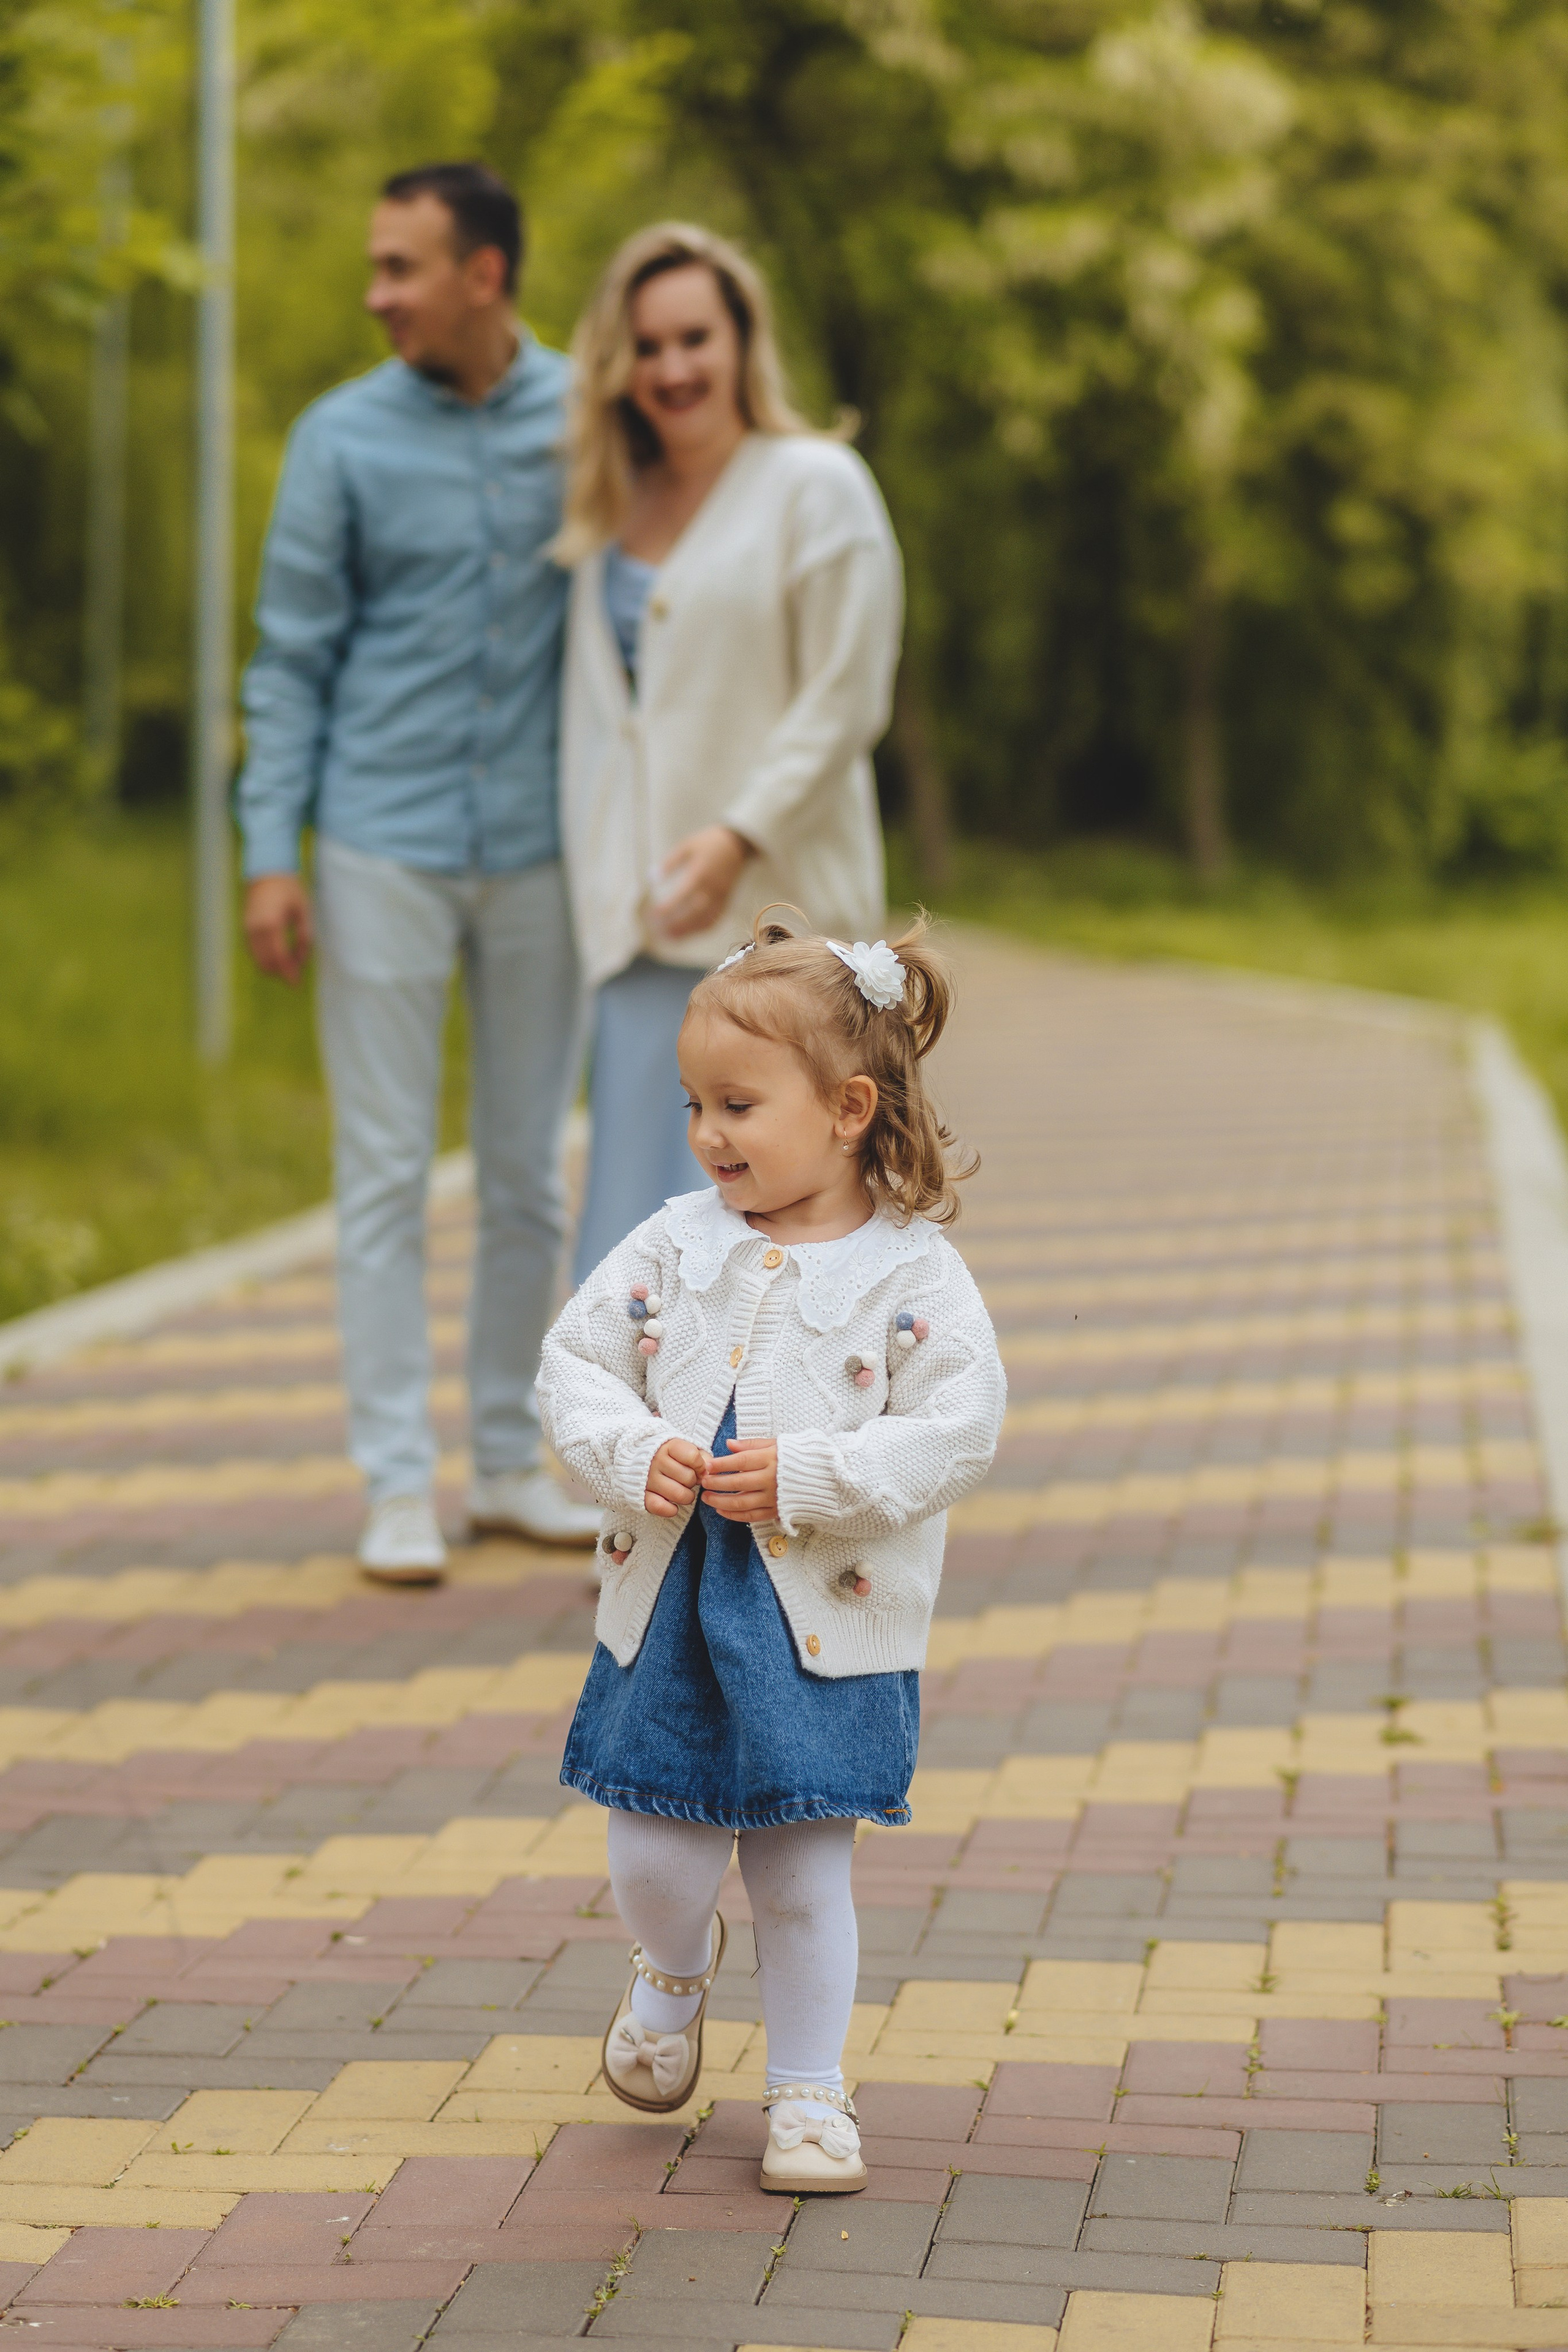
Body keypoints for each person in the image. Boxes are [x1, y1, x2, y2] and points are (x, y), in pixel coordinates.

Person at [537, 918, 1006, 2194]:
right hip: (676, 1602)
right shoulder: (673, 1243)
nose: (708, 1133)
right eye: (695, 1103)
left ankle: (806, 2095)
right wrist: (630, 1450)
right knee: (655, 1851)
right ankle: (671, 1972)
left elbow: (960, 1427)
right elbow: (572, 1366)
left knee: (800, 1868)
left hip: (823, 1620)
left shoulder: (911, 1272)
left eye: (738, 1104)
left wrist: (811, 1477)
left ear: (849, 1108)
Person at [236, 162, 598, 1583]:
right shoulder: (338, 439)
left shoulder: (591, 413)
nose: (377, 293)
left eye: (402, 267)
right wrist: (274, 854)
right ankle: (397, 1480)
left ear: (485, 274)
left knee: (526, 1176)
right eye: (376, 267)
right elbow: (290, 661)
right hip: (379, 839)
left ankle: (506, 1460)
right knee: (382, 1169)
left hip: (543, 850)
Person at [554, 222, 905, 1284]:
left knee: (785, 1252)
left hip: (778, 936)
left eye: (694, 337)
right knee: (635, 1264)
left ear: (742, 340)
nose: (672, 368)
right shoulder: (607, 511)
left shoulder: (817, 485)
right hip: (641, 934)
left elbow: (845, 696)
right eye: (647, 346)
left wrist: (734, 833)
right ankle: (640, 1458)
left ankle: (791, 1460)